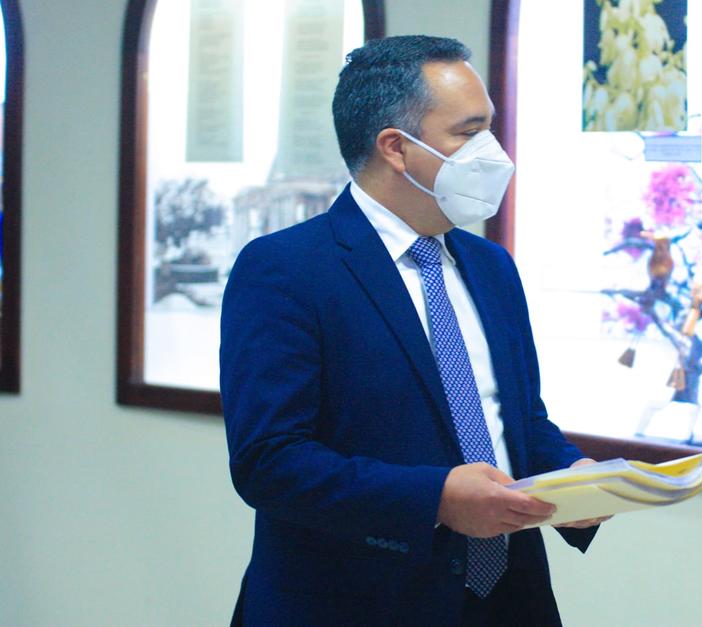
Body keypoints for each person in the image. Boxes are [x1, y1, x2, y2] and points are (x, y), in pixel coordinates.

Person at [220, 35, 608, 627]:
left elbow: (518, 419)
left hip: (509, 599)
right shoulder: (286, 269)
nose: (493, 152)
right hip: (356, 604)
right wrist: (437, 499)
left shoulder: (491, 266)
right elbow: (270, 462)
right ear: (397, 148)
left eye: (490, 129)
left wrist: (573, 478)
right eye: (468, 132)